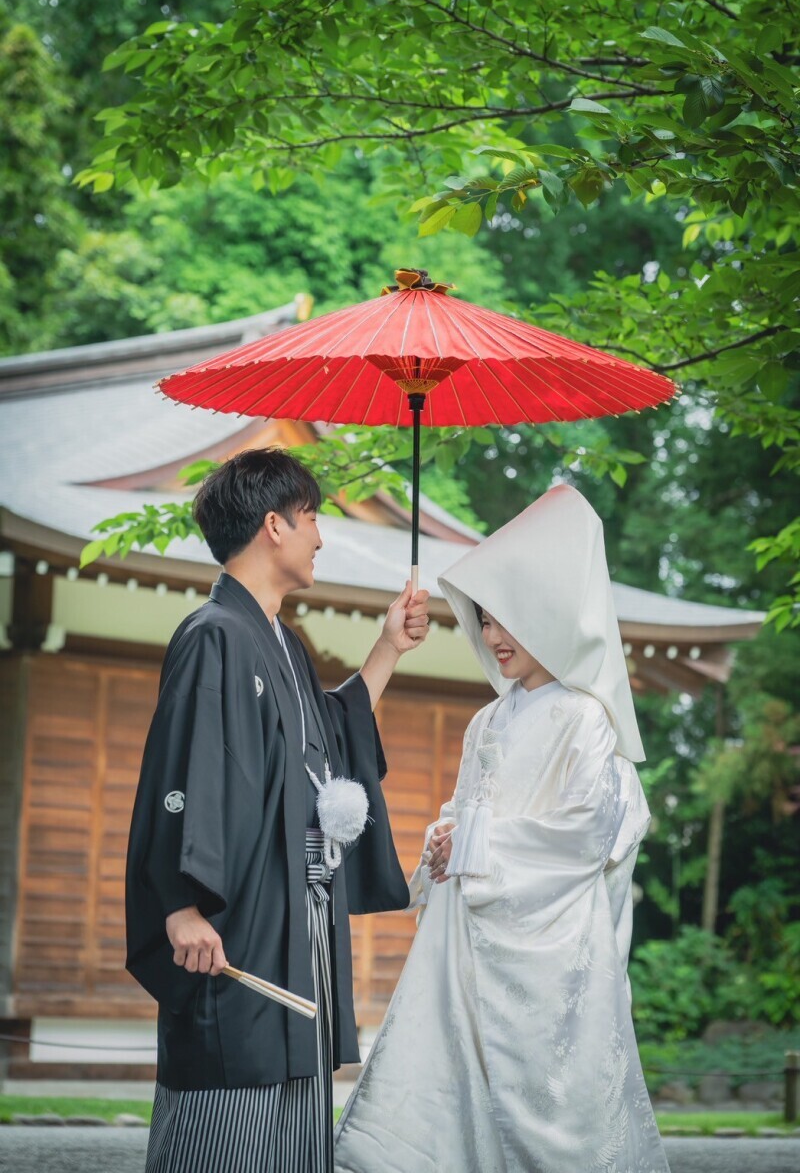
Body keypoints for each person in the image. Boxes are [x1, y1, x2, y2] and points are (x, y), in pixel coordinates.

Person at [335, 484, 671, 1173]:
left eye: (504, 620)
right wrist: (445, 838)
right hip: (468, 936)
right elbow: (467, 805)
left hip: (546, 945)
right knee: (445, 1089)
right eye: (482, 621)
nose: (490, 637)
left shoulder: (584, 719)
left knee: (552, 1108)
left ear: (546, 614)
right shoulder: (487, 720)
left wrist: (479, 842)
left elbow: (587, 831)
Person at [126, 447, 430, 1173]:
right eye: (313, 517)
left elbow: (326, 733)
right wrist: (179, 906)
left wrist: (387, 648)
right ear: (274, 525)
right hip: (239, 922)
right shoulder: (212, 636)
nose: (321, 535)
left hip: (298, 923)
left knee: (294, 1120)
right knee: (229, 1107)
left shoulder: (281, 646)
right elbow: (180, 773)